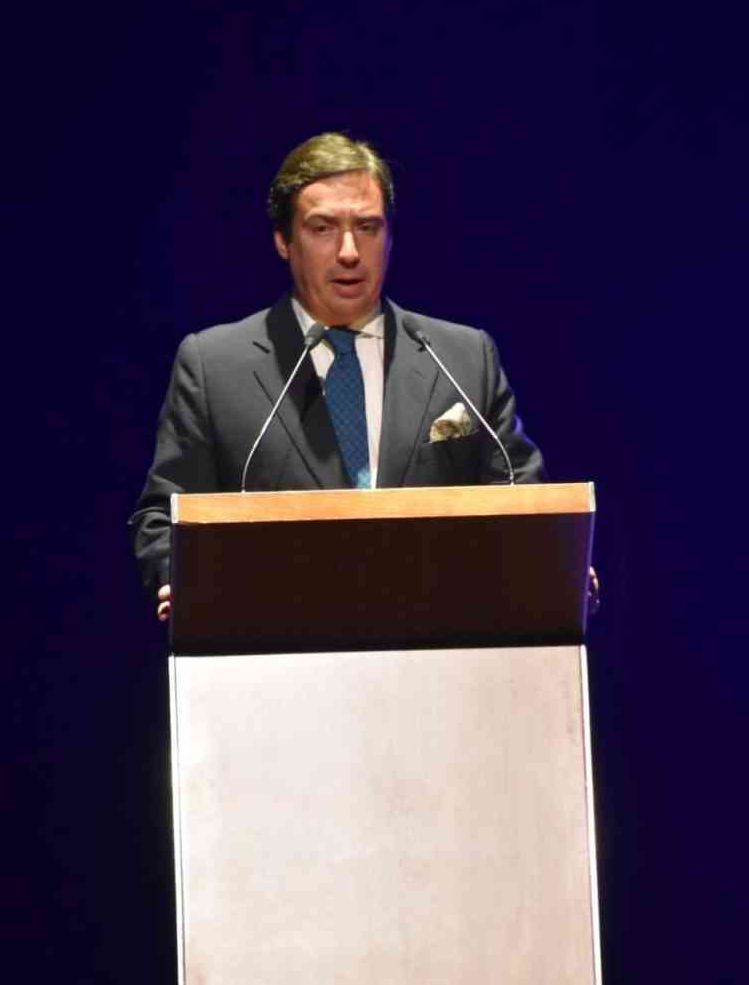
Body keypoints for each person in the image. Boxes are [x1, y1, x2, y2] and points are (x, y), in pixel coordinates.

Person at [129, 132, 547, 620]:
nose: (349, 251)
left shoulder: (462, 358)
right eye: (323, 228)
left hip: (442, 636)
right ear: (283, 241)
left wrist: (553, 561)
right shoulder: (214, 366)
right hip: (276, 641)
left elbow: (521, 496)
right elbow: (164, 516)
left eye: (367, 227)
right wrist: (181, 577)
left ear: (390, 237)